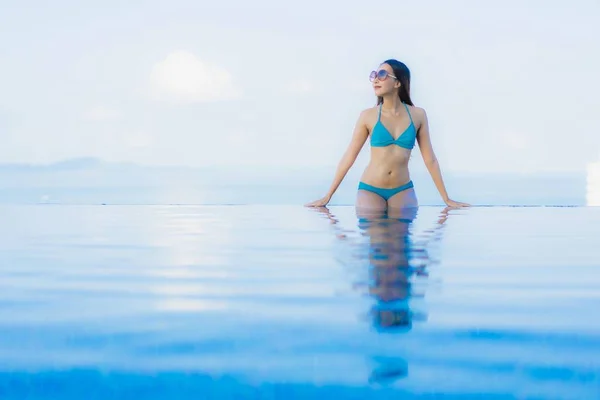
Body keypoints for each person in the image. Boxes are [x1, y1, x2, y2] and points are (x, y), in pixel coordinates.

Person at [305, 59, 469, 211]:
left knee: (403, 240)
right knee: (376, 237)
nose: (376, 80)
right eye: (374, 75)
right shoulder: (367, 116)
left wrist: (446, 199)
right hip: (371, 189)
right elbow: (349, 156)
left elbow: (430, 160)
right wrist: (328, 196)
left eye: (382, 75)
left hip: (403, 189)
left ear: (397, 82)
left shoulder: (418, 115)